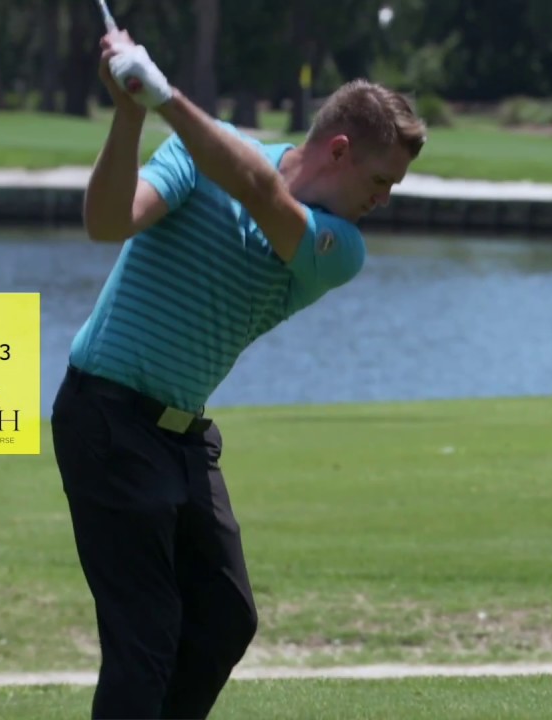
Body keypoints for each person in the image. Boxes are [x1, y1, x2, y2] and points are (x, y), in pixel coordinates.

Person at [49, 29, 427, 719]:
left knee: (224, 617)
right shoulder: (201, 151)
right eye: (380, 181)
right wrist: (132, 110)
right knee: (147, 635)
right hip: (105, 414)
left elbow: (255, 185)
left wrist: (163, 97)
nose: (385, 200)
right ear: (339, 150)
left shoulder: (337, 249)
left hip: (182, 435)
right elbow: (108, 222)